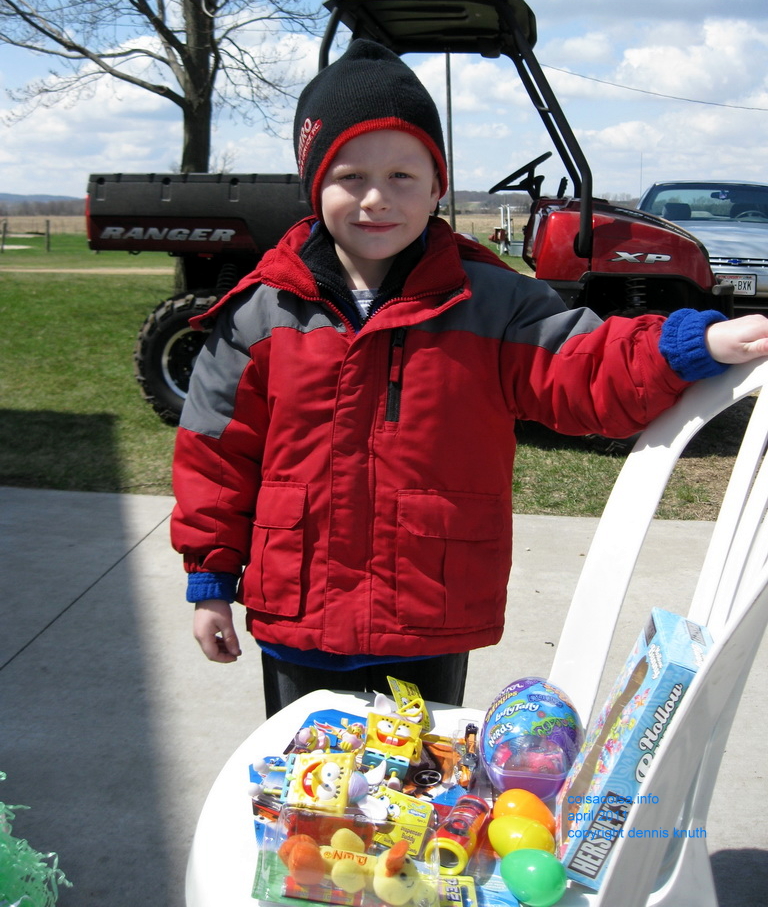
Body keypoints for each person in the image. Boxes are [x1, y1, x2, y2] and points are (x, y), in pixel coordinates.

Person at [171, 39, 768, 717]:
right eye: (350, 176)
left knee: (428, 798)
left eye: (402, 176)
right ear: (314, 185)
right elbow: (214, 454)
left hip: (427, 612)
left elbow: (587, 366)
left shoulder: (489, 300)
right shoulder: (261, 311)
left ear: (437, 185)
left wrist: (697, 341)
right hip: (302, 614)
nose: (376, 199)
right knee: (310, 793)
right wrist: (210, 578)